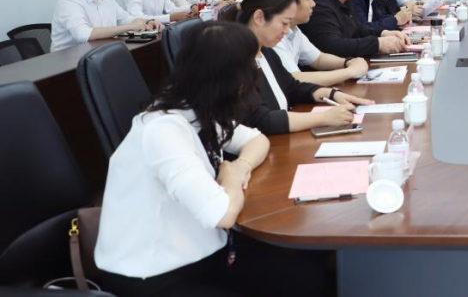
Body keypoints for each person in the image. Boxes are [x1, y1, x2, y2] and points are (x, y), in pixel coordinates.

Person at [95, 21, 328, 296]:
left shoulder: (199, 108)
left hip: (206, 250)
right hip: (154, 273)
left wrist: (240, 166)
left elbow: (256, 140)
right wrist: (231, 179)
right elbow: (224, 214)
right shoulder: (162, 130)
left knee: (308, 278)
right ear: (232, 80)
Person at [238, 0, 371, 135]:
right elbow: (262, 121)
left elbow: (292, 87)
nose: (287, 31)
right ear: (259, 17)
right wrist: (324, 118)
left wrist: (332, 94)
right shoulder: (236, 60)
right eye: (284, 23)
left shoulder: (266, 51)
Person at [272, 0, 370, 85]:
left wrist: (348, 62)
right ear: (290, 2)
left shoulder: (294, 29)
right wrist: (350, 72)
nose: (313, 4)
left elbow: (318, 59)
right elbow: (295, 78)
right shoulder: (274, 35)